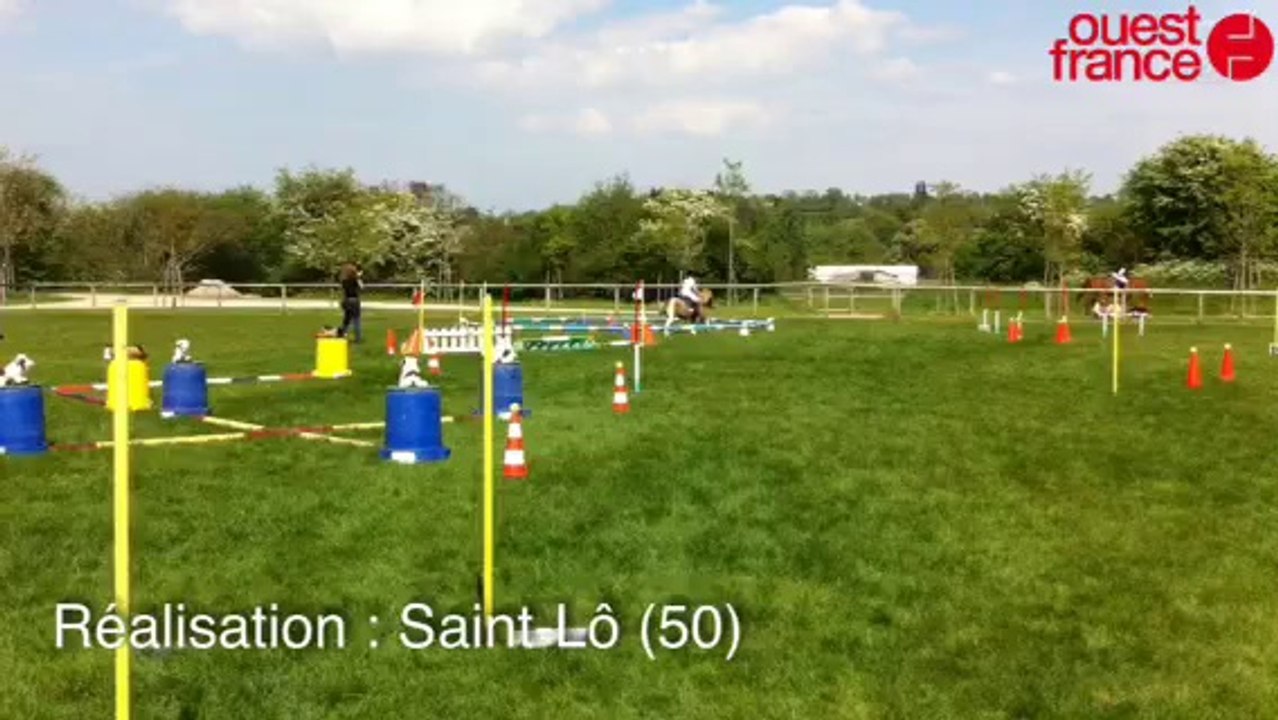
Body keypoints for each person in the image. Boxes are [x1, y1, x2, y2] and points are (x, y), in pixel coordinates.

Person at [337, 262, 363, 342]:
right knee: (356, 320)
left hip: (347, 300)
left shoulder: (344, 281)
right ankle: (358, 338)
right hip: (354, 301)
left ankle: (343, 335)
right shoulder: (356, 280)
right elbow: (362, 287)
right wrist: (358, 277)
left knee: (346, 319)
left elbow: (344, 289)